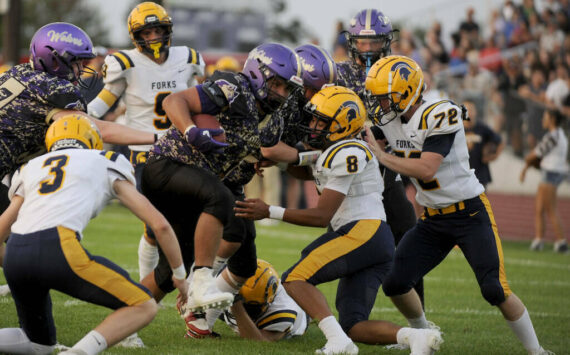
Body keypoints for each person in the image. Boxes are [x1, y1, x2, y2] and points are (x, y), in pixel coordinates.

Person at [364, 55, 552, 355]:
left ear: (405, 92)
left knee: (494, 289)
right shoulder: (389, 122)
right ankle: (424, 335)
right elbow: (350, 141)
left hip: (469, 213)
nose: (379, 105)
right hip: (433, 220)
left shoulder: (440, 113)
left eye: (383, 98)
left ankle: (537, 351)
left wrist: (382, 155)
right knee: (395, 282)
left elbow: (427, 168)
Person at [236, 86, 443, 355]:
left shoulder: (348, 153)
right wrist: (278, 162)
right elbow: (309, 165)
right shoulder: (341, 149)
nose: (312, 125)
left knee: (295, 279)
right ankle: (415, 337)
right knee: (354, 324)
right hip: (374, 240)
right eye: (312, 118)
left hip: (362, 233)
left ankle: (338, 343)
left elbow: (322, 216)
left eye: (319, 120)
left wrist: (269, 211)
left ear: (342, 123)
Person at [180, 43, 336, 339]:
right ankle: (188, 294)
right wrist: (310, 156)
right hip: (211, 173)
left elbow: (277, 155)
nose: (311, 98)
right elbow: (269, 147)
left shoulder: (285, 103)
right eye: (311, 90)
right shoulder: (252, 93)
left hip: (233, 176)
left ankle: (200, 318)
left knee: (243, 254)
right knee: (223, 240)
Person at [0, 115, 188, 355]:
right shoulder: (106, 159)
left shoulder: (31, 167)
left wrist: (23, 261)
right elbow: (159, 225)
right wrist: (180, 275)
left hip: (15, 253)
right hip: (58, 246)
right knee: (144, 305)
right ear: (91, 138)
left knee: (38, 345)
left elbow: (2, 230)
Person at [140, 43, 303, 316]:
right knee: (220, 198)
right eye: (277, 84)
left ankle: (123, 320)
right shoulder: (235, 87)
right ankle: (201, 284)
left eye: (287, 88)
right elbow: (174, 101)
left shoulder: (274, 119)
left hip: (199, 182)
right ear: (257, 73)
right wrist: (191, 130)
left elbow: (262, 150)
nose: (281, 93)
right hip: (167, 167)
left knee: (176, 269)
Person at [87, 2, 206, 283]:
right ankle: (146, 284)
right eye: (147, 32)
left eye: (158, 30)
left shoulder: (188, 58)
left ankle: (195, 278)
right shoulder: (124, 63)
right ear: (136, 36)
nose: (153, 37)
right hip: (145, 155)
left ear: (168, 30)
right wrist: (78, 117)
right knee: (153, 226)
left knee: (194, 217)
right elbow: (99, 106)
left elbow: (200, 101)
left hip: (183, 150)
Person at [0, 22, 156, 216]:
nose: (81, 69)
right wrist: (157, 138)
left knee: (17, 227)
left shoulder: (16, 73)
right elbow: (97, 128)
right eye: (76, 62)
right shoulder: (53, 88)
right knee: (32, 233)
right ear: (55, 61)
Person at [336, 8, 424, 306]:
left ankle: (420, 319)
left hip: (387, 167)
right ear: (352, 42)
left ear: (386, 42)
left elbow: (413, 112)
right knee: (342, 240)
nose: (369, 48)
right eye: (363, 42)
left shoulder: (399, 69)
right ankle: (335, 314)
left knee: (408, 236)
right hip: (350, 170)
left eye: (374, 42)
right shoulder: (341, 73)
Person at [216, 259, 309, 341]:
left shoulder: (284, 311)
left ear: (270, 300)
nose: (247, 309)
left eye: (251, 306)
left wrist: (236, 305)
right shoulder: (226, 280)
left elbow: (259, 339)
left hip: (301, 311)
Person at [520, 108, 569, 252]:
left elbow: (534, 155)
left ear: (552, 119)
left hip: (551, 173)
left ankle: (561, 242)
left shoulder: (553, 136)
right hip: (551, 172)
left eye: (545, 117)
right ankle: (539, 240)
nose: (543, 120)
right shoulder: (558, 135)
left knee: (550, 208)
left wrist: (527, 163)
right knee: (539, 208)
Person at [463, 99, 505, 189]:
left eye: (471, 109)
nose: (468, 113)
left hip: (480, 174)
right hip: (461, 174)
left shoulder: (482, 128)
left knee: (481, 202)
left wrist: (495, 156)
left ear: (475, 112)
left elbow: (500, 141)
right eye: (465, 110)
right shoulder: (456, 129)